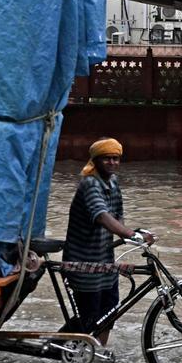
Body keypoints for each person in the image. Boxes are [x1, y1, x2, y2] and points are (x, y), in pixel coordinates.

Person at [60, 137, 154, 347]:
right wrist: (130, 234)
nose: (112, 163)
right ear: (96, 160)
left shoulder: (112, 181)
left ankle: (98, 351)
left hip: (104, 260)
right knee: (89, 314)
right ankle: (60, 347)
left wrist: (135, 235)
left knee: (110, 310)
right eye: (107, 159)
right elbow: (102, 216)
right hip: (84, 262)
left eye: (115, 159)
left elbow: (117, 216)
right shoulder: (89, 183)